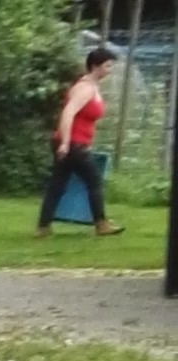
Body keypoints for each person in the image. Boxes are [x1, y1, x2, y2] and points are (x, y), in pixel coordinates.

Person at [38, 45, 118, 231]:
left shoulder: (92, 88)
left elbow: (84, 119)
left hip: (75, 143)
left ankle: (43, 226)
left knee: (58, 183)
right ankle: (101, 224)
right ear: (95, 66)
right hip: (72, 143)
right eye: (107, 66)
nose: (110, 70)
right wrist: (65, 143)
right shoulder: (85, 88)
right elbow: (68, 113)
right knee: (94, 179)